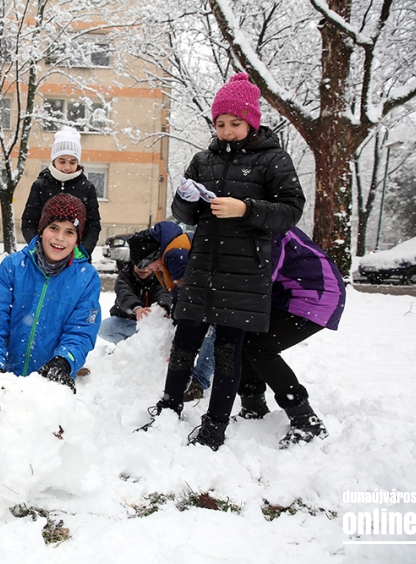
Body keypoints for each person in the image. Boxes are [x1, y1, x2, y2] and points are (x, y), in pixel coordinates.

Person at [146, 73, 306, 450]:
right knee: (185, 341)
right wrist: (186, 198)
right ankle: (169, 406)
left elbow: (290, 210)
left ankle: (215, 424)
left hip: (245, 274)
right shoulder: (204, 160)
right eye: (220, 124)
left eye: (235, 123)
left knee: (227, 351)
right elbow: (184, 212)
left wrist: (245, 209)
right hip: (203, 267)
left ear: (252, 121)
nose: (227, 131)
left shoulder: (273, 160)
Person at [0, 193, 101, 393]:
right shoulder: (14, 266)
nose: (59, 238)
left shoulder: (86, 277)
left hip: (51, 386)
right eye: (53, 227)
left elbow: (81, 330)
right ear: (42, 230)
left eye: (69, 232)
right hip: (7, 380)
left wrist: (64, 361)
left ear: (77, 239)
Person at [236, 227, 345, 448]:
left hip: (317, 295)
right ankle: (253, 408)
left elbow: (261, 278)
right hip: (290, 295)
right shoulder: (257, 227)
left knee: (260, 348)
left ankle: (306, 420)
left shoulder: (268, 230)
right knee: (246, 341)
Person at [99, 222, 215, 400]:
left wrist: (165, 311)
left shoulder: (174, 256)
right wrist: (137, 309)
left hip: (217, 302)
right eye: (142, 267)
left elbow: (178, 298)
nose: (149, 270)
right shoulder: (133, 273)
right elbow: (124, 293)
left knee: (212, 334)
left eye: (149, 265)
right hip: (131, 322)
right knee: (106, 327)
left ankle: (198, 382)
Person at [20, 126, 102, 258]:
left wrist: (82, 252)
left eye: (72, 162)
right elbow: (29, 222)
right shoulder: (40, 185)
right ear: (53, 160)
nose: (67, 167)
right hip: (42, 257)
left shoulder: (87, 188)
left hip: (75, 259)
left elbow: (93, 226)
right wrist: (38, 248)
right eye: (62, 161)